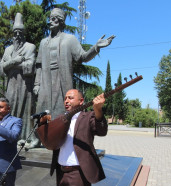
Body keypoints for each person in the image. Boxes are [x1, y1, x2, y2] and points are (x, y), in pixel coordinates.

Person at [29, 8, 114, 148]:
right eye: (50, 18)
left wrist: (96, 48)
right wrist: (37, 84)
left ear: (61, 22)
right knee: (41, 108)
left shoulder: (70, 39)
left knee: (61, 111)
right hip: (45, 79)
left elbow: (82, 57)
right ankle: (38, 139)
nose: (52, 20)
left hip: (61, 79)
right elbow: (38, 65)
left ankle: (61, 140)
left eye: (55, 18)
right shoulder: (43, 42)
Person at [50, 89, 108, 186]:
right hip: (61, 171)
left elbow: (101, 130)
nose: (66, 100)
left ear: (81, 101)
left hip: (78, 174)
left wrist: (98, 110)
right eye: (65, 98)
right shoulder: (61, 119)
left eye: (71, 98)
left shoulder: (87, 116)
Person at [0, 13, 36, 147]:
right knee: (10, 108)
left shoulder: (30, 47)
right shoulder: (7, 50)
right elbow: (1, 68)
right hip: (11, 86)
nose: (18, 35)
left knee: (26, 110)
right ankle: (9, 136)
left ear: (24, 33)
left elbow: (30, 66)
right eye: (15, 32)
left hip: (25, 85)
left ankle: (25, 137)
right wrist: (15, 61)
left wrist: (11, 64)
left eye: (20, 32)